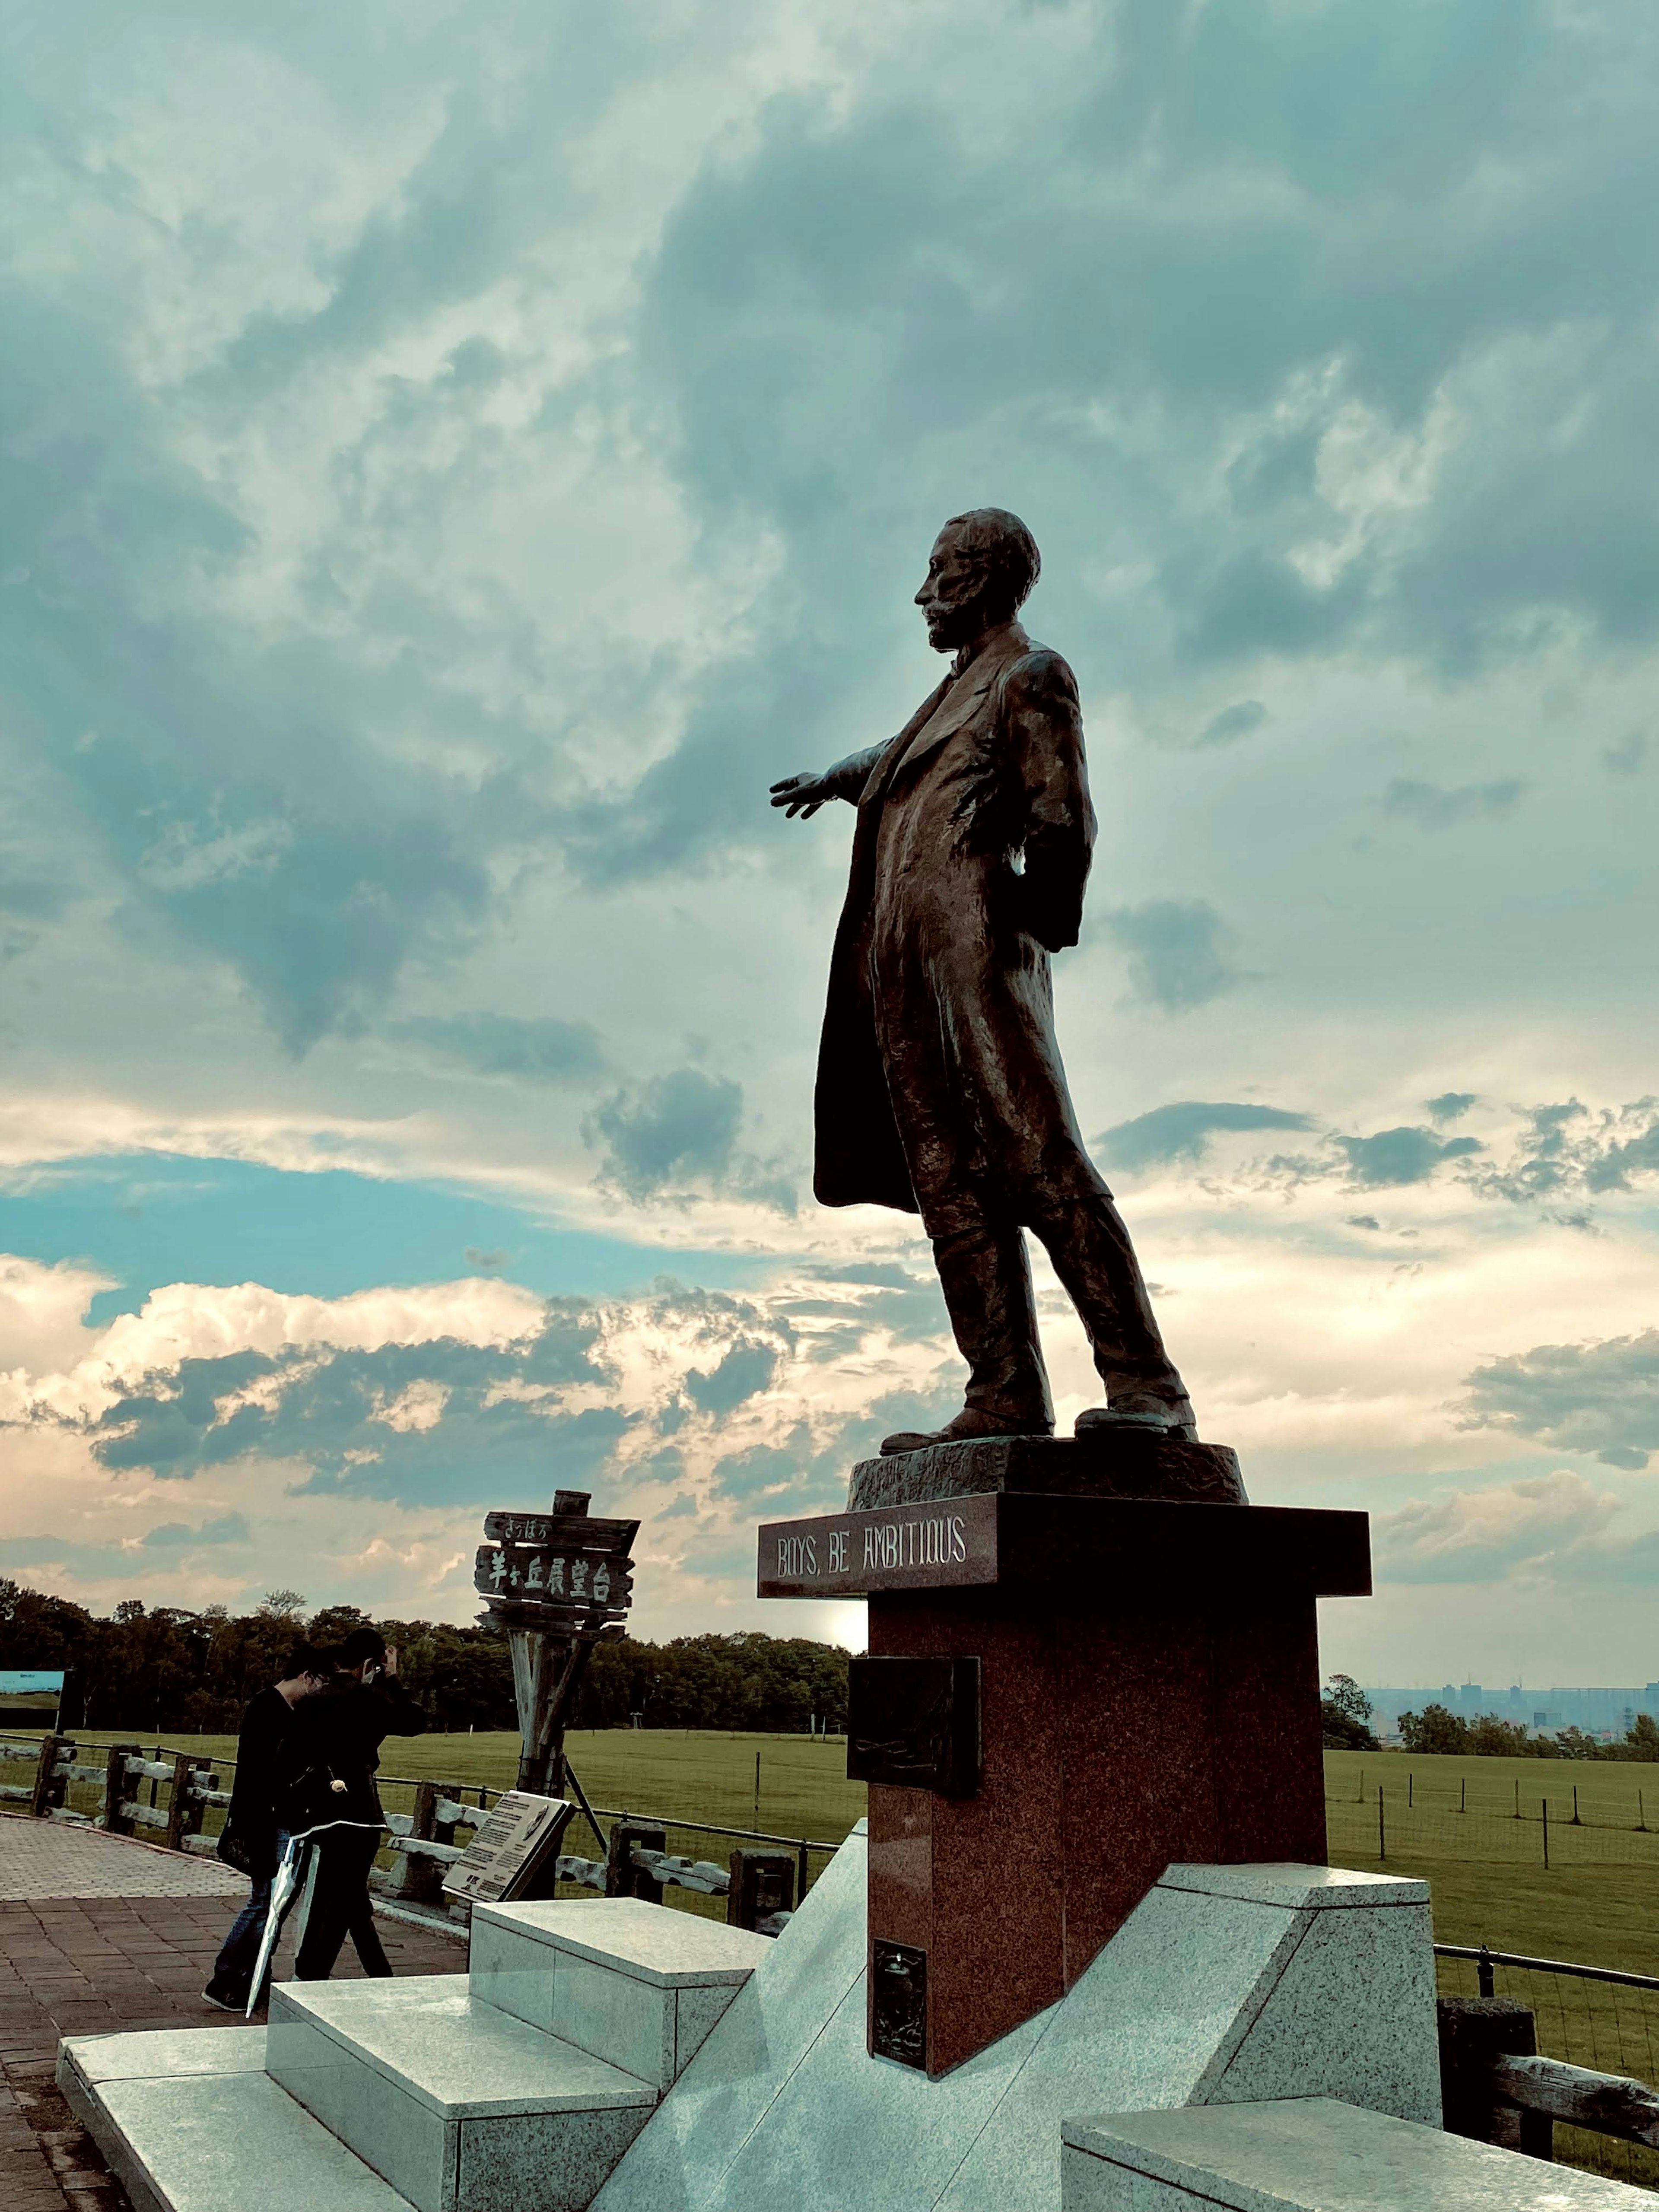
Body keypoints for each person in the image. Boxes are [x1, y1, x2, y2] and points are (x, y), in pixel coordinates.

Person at [770, 508, 1195, 1452]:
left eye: (943, 572)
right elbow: (890, 760)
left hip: (980, 965)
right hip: (904, 981)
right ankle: (1002, 1392)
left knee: (1040, 1163)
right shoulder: (950, 694)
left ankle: (1148, 1386)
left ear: (992, 578)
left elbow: (1063, 817)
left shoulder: (1030, 676)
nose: (924, 592)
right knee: (950, 1187)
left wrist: (1036, 919)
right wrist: (833, 778)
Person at [280, 1628, 426, 1983]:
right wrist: (393, 1678)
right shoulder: (372, 1698)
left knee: (345, 1889)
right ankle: (312, 1971)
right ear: (370, 1663)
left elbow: (289, 1755)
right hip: (358, 1805)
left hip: (318, 1806)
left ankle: (379, 1972)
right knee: (344, 1894)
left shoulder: (312, 1702)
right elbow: (414, 1721)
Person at [201, 1643, 332, 2012]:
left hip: (270, 1818)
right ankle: (227, 1977)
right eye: (322, 1682)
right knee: (265, 1903)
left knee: (269, 1903)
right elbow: (267, 1773)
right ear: (308, 1677)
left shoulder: (276, 1707)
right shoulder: (270, 1710)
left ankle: (253, 1974)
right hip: (267, 1820)